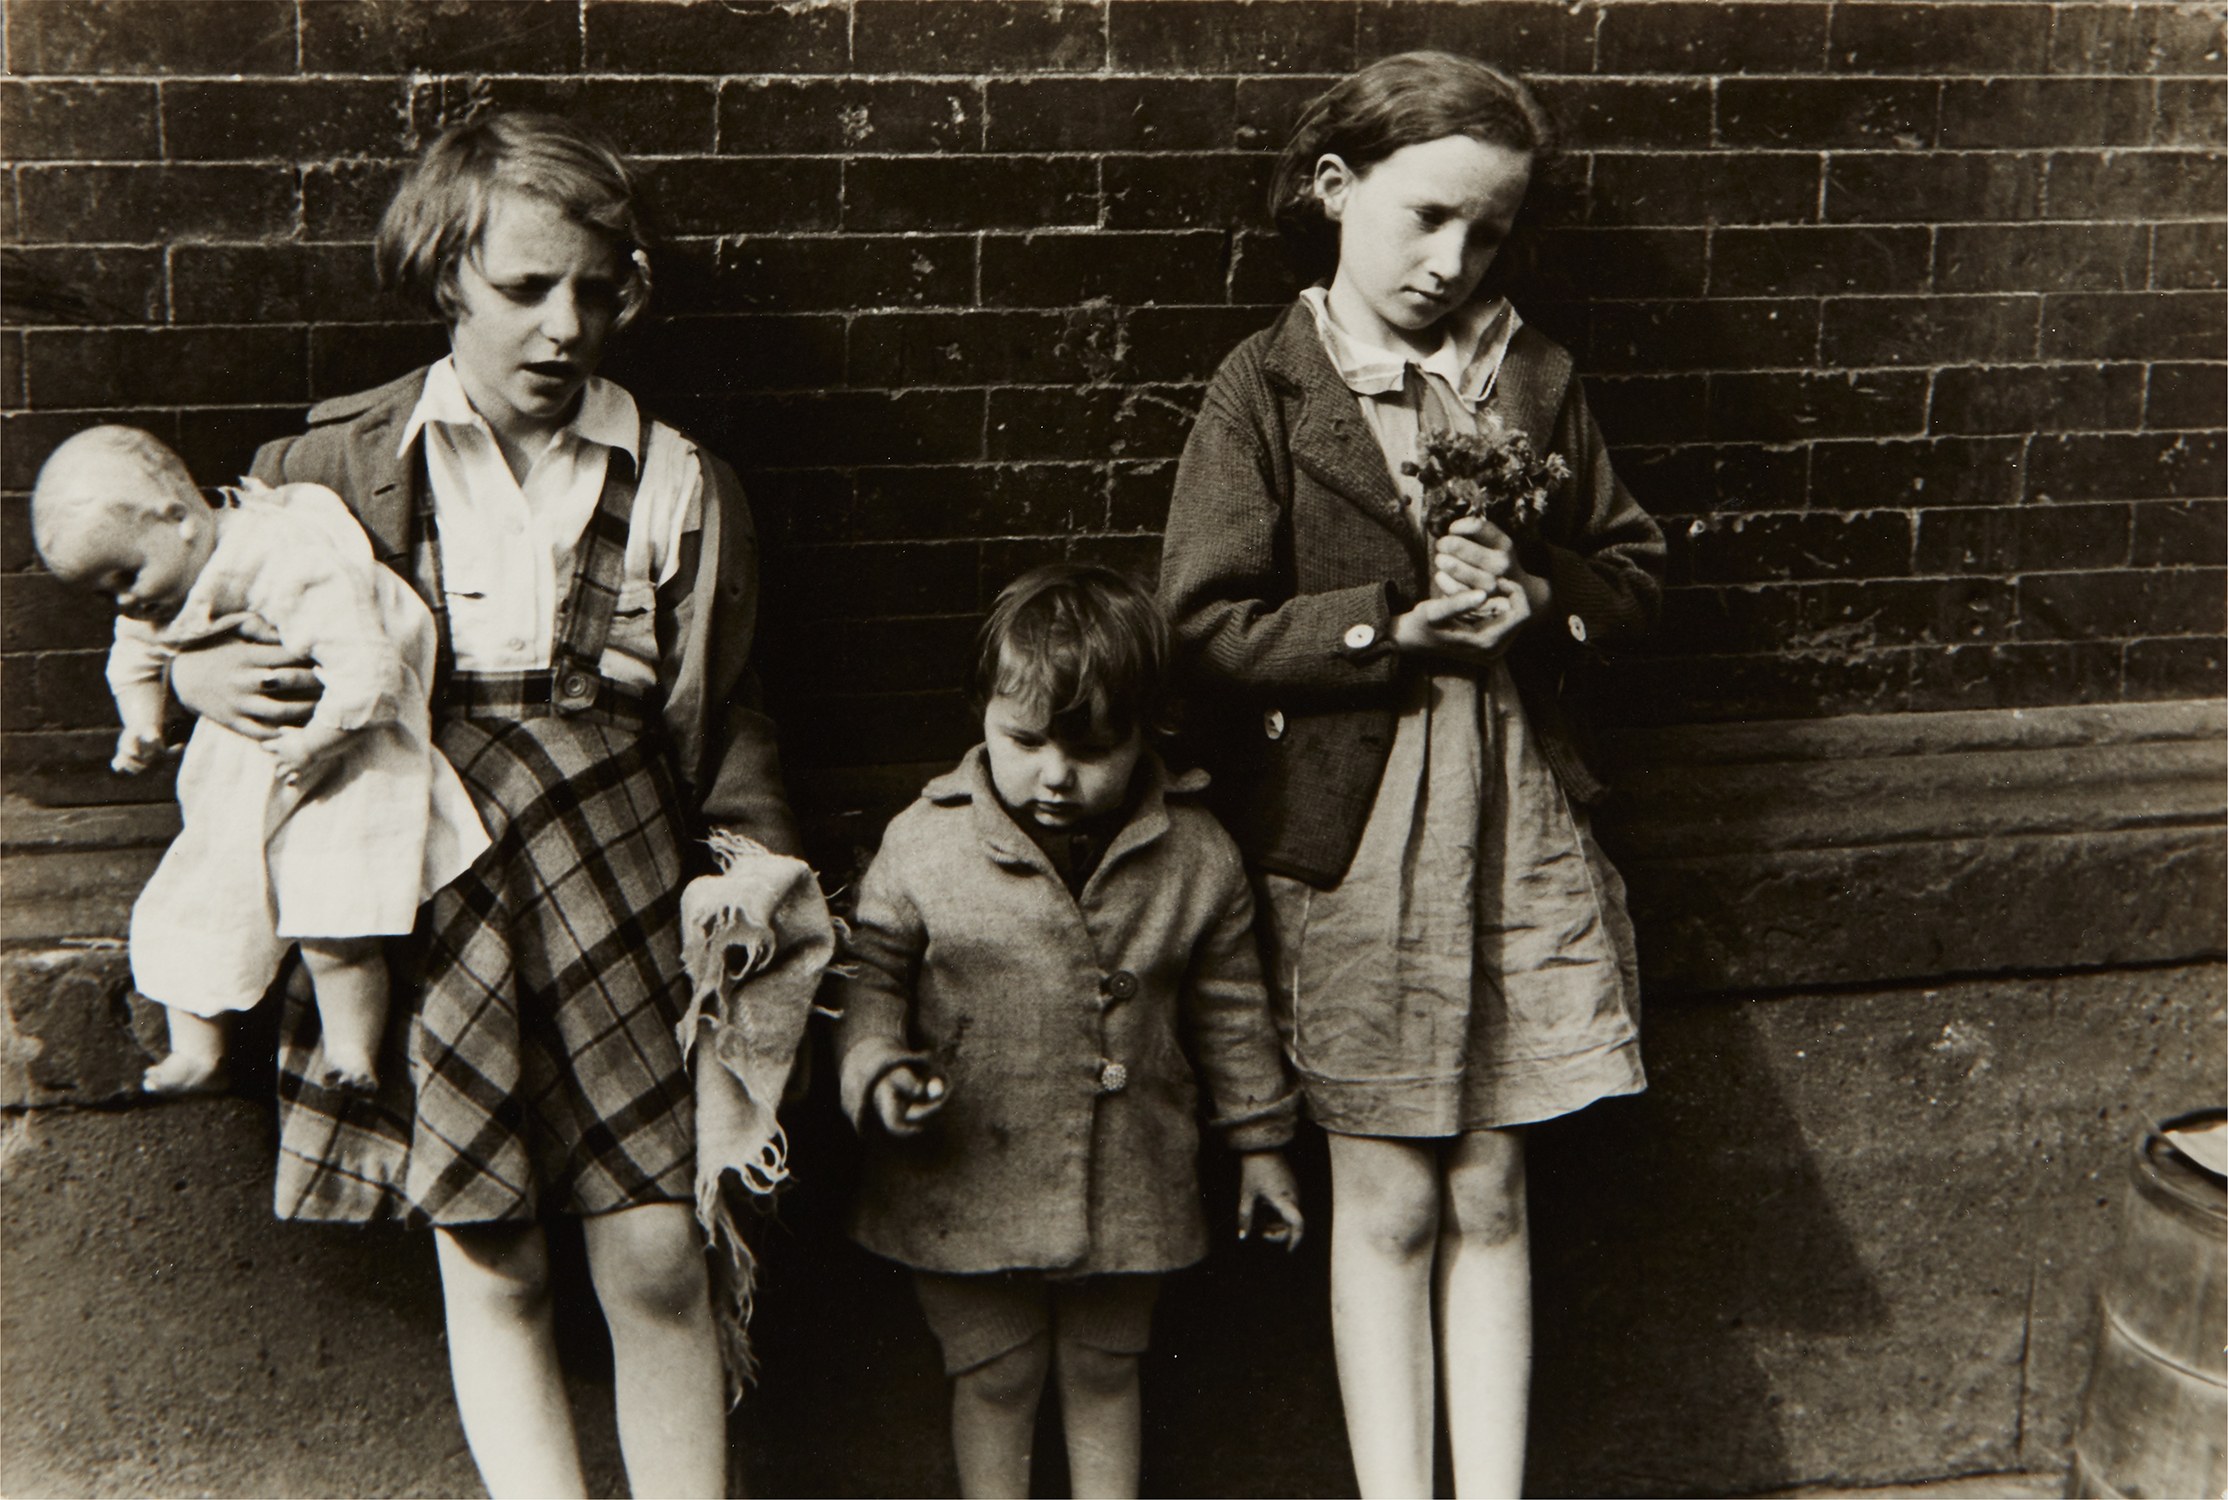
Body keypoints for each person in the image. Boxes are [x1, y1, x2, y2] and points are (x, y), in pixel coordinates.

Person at [167, 111, 797, 1499]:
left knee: (652, 1245)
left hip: (618, 878)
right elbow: (195, 609)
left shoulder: (681, 482)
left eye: (594, 289)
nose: (564, 328)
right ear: (446, 273)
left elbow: (723, 718)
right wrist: (196, 670)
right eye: (524, 289)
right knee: (490, 1242)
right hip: (435, 884)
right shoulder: (334, 469)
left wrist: (756, 886)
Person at [1157, 52, 1666, 1499]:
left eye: (1487, 233)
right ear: (1335, 189)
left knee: (1494, 1182)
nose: (1452, 262)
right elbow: (1201, 622)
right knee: (1381, 1193)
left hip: (1509, 823)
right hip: (1361, 832)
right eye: (1426, 217)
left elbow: (1635, 567)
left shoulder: (1537, 378)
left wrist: (1545, 599)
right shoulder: (1267, 386)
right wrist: (1386, 625)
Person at [832, 563, 1304, 1500]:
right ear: (982, 714)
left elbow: (1232, 1006)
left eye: (1092, 747)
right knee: (995, 1374)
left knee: (1105, 1369)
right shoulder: (925, 843)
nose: (1055, 774)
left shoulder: (1193, 853)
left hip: (1128, 1178)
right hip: (962, 1176)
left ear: (1146, 733)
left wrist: (1262, 1146)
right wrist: (877, 1068)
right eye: (1024, 740)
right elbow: (872, 975)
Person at [31, 425, 486, 1097]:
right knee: (197, 896)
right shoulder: (155, 583)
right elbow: (134, 656)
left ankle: (352, 1053)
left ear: (181, 520)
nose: (125, 601)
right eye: (105, 593)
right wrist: (143, 725)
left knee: (338, 916)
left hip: (352, 755)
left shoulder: (284, 554)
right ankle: (196, 1048)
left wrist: (319, 739)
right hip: (247, 760)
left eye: (126, 578)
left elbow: (370, 669)